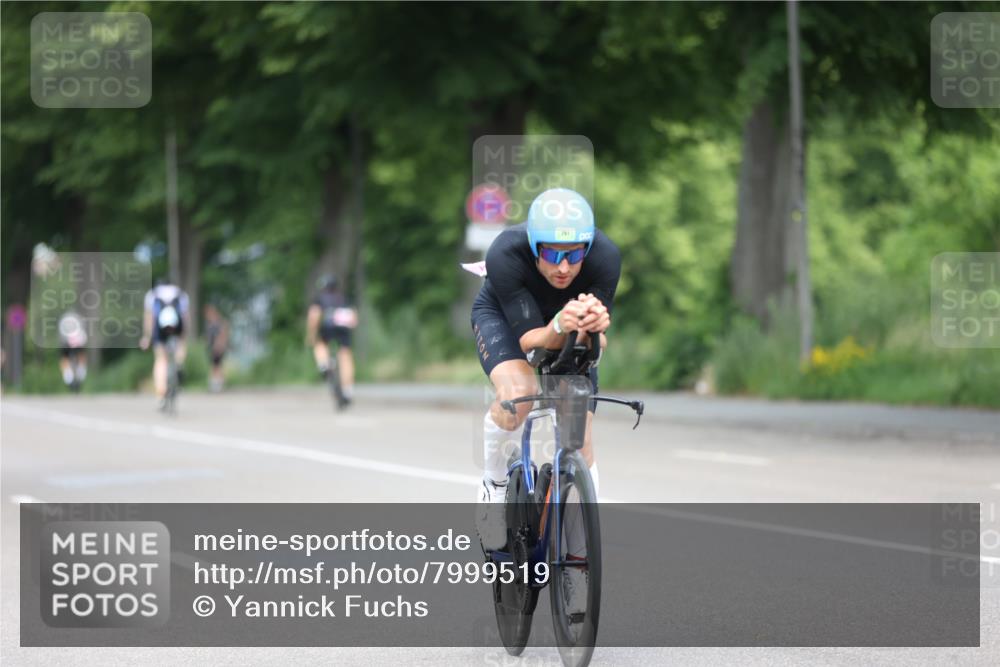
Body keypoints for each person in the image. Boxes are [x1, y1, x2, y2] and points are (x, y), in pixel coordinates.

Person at [470, 188, 620, 611]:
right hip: (508, 319)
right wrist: (561, 321)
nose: (565, 266)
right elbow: (533, 347)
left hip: (562, 324)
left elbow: (594, 345)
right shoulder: (506, 255)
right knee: (518, 396)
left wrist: (594, 328)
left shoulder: (606, 258)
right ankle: (494, 485)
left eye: (575, 254)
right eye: (553, 255)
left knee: (581, 441)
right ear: (535, 247)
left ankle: (577, 562)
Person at [139, 278, 190, 409]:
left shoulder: (152, 294)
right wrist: (184, 336)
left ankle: (161, 394)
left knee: (161, 360)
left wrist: (146, 337)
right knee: (181, 345)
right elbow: (185, 316)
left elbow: (150, 317)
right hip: (177, 324)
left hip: (160, 327)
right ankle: (179, 364)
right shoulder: (180, 293)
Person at [306, 275, 357, 404]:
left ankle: (324, 365)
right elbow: (354, 319)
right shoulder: (344, 299)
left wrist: (311, 335)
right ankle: (348, 390)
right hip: (344, 328)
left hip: (328, 326)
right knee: (345, 356)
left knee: (320, 344)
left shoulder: (320, 299)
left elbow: (314, 316)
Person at [58, 309, 88, 392]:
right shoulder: (78, 319)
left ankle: (68, 376)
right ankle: (80, 372)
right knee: (81, 355)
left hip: (68, 342)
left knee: (64, 358)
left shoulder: (65, 320)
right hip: (77, 342)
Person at [203, 303, 229, 393]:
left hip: (217, 348)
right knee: (215, 366)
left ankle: (218, 385)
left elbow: (222, 334)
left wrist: (219, 345)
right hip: (212, 348)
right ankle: (216, 384)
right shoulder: (211, 323)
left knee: (217, 366)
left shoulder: (218, 323)